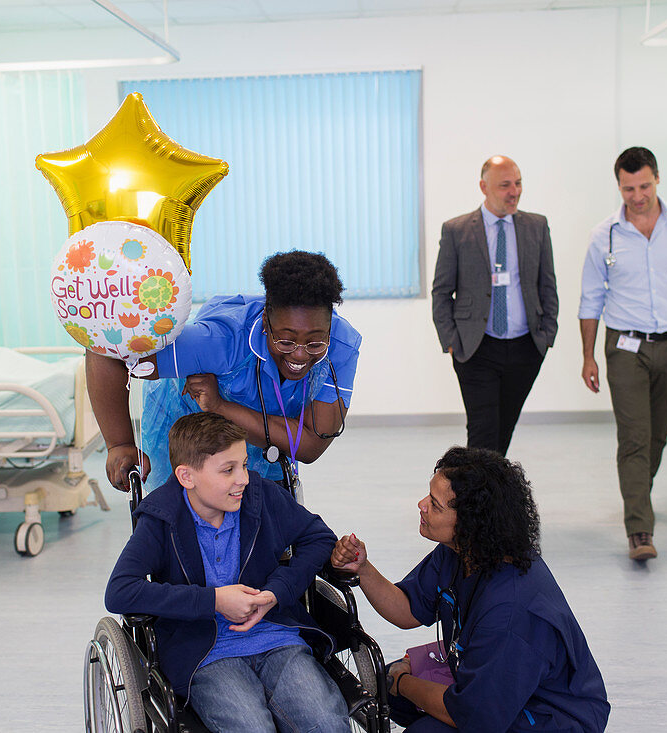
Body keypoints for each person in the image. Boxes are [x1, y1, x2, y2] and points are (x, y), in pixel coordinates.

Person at [332, 446, 609, 732]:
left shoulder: (512, 611)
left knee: (419, 721)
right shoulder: (460, 553)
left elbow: (475, 717)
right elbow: (407, 608)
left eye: (435, 505)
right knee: (385, 685)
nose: (421, 504)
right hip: (498, 689)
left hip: (550, 717)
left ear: (470, 523)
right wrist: (362, 569)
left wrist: (403, 684)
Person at [105, 412, 349, 733]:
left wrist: (277, 591)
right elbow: (120, 591)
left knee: (325, 723)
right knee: (251, 728)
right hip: (205, 653)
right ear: (187, 476)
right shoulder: (161, 518)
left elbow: (318, 538)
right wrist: (214, 600)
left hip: (275, 636)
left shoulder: (260, 498)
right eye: (228, 470)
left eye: (244, 465)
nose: (243, 479)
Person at [87, 250, 361, 492]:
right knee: (185, 518)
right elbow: (103, 349)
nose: (300, 354)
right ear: (265, 322)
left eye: (315, 343)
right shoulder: (219, 341)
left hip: (258, 439)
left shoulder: (340, 346)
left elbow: (311, 445)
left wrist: (219, 406)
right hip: (188, 427)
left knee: (266, 525)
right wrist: (119, 444)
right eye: (286, 340)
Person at [578, 146, 667, 561]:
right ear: (618, 186)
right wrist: (588, 357)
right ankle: (639, 528)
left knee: (657, 434)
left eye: (643, 186)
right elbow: (590, 301)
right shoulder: (604, 234)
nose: (637, 196)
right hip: (625, 348)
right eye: (627, 188)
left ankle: (639, 491)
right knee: (635, 437)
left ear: (656, 178)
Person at [432, 156, 558, 456]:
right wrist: (452, 342)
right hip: (477, 348)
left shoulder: (536, 226)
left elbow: (547, 283)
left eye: (518, 183)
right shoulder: (457, 230)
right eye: (505, 185)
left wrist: (547, 334)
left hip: (525, 347)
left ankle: (493, 497)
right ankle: (479, 500)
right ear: (483, 187)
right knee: (482, 432)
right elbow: (441, 291)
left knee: (503, 430)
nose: (514, 191)